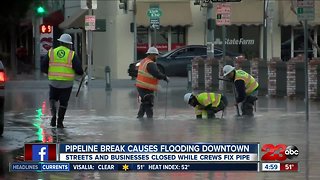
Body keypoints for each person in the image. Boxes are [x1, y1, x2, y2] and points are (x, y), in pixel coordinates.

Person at [41, 33, 83, 128]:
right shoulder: (71, 54)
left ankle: (53, 117)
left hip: (53, 82)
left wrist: (49, 73)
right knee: (63, 102)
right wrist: (80, 74)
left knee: (53, 99)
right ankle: (60, 122)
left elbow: (43, 66)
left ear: (60, 42)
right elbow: (79, 69)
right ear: (69, 44)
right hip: (67, 83)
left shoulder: (51, 52)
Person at [135, 47, 169, 119]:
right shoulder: (150, 63)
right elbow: (156, 74)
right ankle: (150, 122)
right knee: (148, 104)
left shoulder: (143, 61)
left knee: (145, 103)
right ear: (152, 55)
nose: (156, 57)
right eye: (156, 55)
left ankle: (139, 118)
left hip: (141, 86)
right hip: (146, 87)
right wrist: (165, 77)